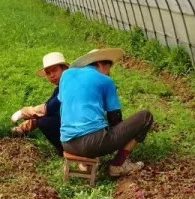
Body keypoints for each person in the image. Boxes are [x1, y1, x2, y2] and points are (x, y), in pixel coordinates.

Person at [59, 47, 153, 177]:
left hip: (66, 143)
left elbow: (65, 103)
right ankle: (118, 164)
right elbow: (115, 118)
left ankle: (85, 163)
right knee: (146, 117)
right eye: (109, 68)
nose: (109, 73)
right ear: (100, 64)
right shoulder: (106, 81)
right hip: (91, 144)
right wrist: (122, 135)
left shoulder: (66, 75)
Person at [10, 52, 68, 154]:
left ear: (64, 68)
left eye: (54, 70)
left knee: (45, 122)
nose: (52, 75)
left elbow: (48, 108)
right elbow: (46, 111)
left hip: (81, 128)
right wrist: (23, 128)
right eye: (48, 73)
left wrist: (23, 113)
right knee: (46, 118)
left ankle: (66, 150)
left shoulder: (68, 87)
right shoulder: (60, 88)